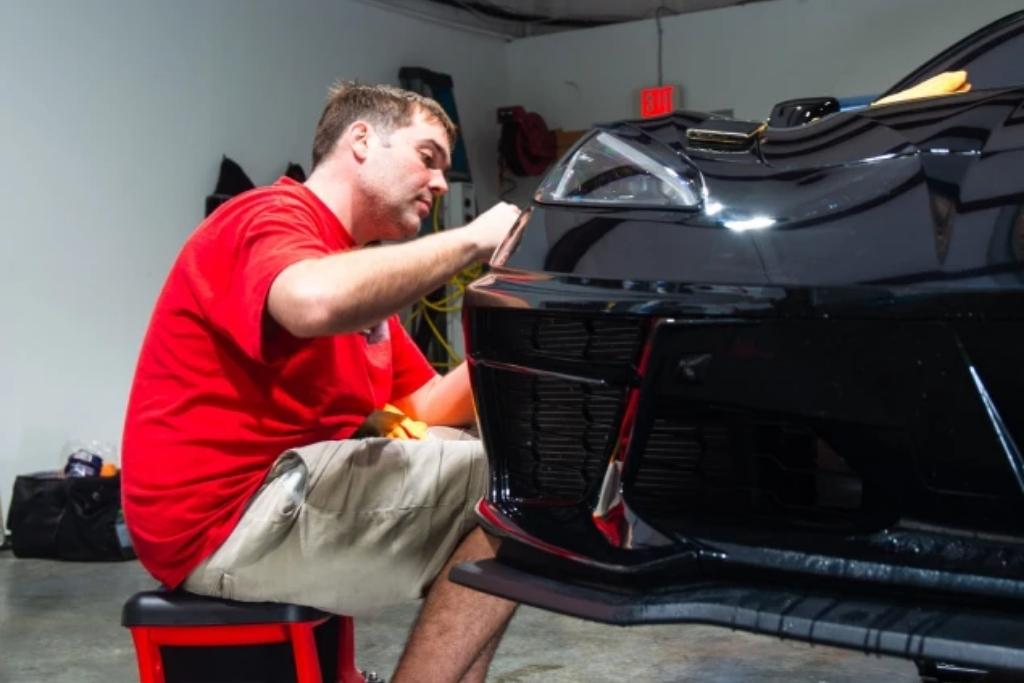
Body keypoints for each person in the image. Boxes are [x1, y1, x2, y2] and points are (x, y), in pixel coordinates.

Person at [122, 82, 520, 682]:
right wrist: (472, 239)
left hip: (275, 498)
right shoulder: (267, 217)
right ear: (361, 140)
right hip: (224, 521)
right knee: (524, 488)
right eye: (427, 157)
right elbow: (310, 302)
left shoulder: (352, 272)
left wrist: (527, 331)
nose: (441, 183)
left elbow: (426, 406)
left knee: (515, 475)